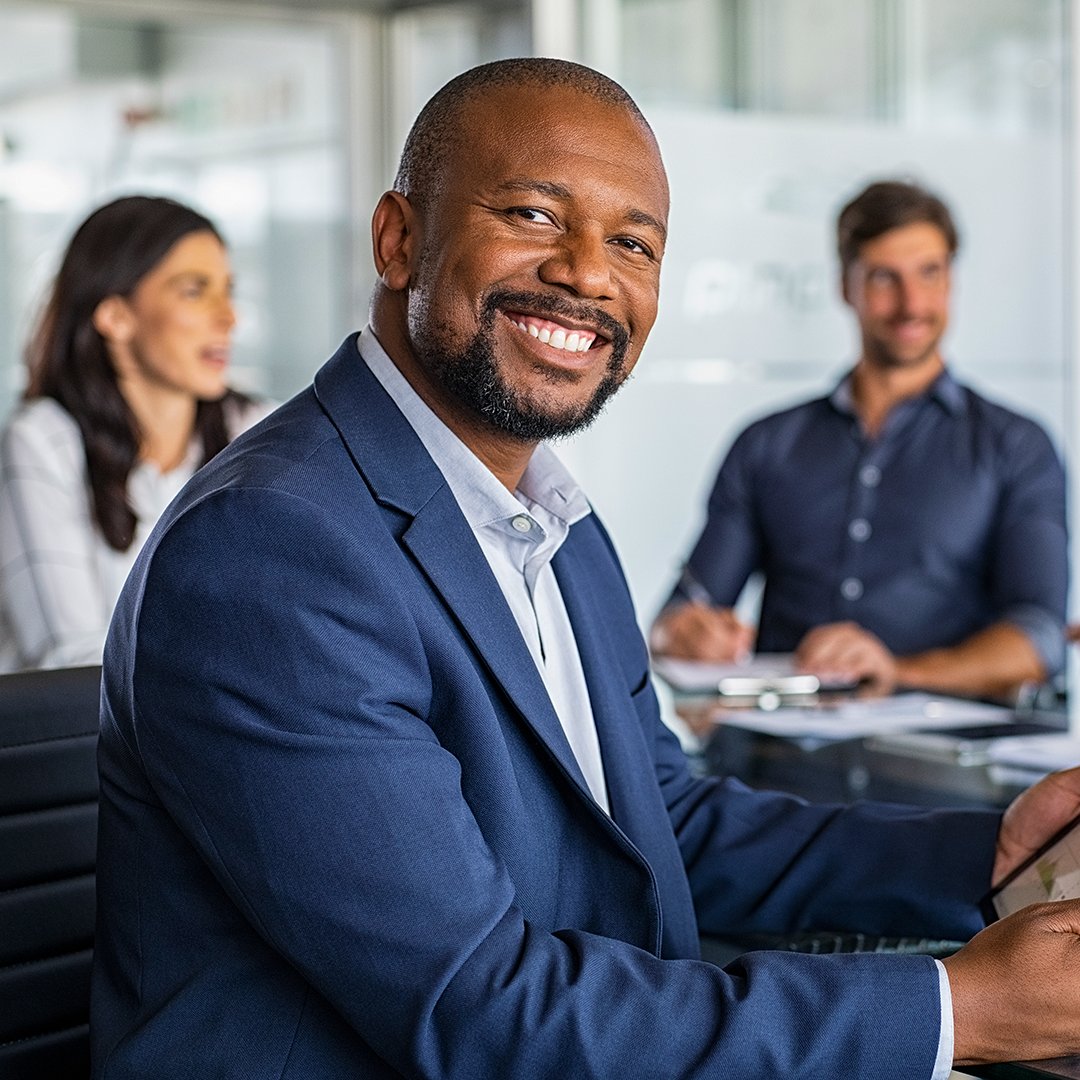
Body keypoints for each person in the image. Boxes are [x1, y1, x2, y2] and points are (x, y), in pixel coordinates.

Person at [92, 61, 1080, 1079]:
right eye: (531, 213)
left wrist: (991, 852)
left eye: (634, 244)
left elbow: (663, 824)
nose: (587, 273)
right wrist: (957, 1010)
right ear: (398, 240)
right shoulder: (274, 546)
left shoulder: (551, 522)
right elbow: (484, 1011)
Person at [651, 181, 1067, 700]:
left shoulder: (1017, 447)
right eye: (884, 278)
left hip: (941, 765)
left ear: (951, 281)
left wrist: (898, 671)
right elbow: (681, 611)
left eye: (930, 273)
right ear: (845, 286)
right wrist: (685, 633)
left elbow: (1039, 638)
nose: (912, 303)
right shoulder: (765, 445)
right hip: (776, 757)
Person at [0, 195, 275, 672]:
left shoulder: (258, 429)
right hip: (86, 743)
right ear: (116, 316)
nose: (229, 317)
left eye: (227, 290)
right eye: (194, 291)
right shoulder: (43, 444)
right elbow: (69, 664)